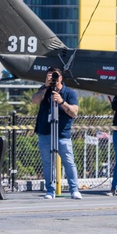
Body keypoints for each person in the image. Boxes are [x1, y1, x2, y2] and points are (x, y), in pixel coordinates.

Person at [34, 68, 82, 199]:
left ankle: (74, 189)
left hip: (62, 134)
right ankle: (50, 190)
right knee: (47, 162)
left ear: (61, 78)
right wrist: (45, 86)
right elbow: (35, 101)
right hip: (45, 132)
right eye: (50, 76)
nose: (53, 78)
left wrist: (61, 101)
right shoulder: (44, 90)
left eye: (55, 76)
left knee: (68, 161)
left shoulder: (69, 93)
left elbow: (74, 112)